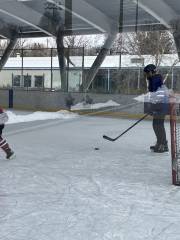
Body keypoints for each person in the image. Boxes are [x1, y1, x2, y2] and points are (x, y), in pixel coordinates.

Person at [144, 64, 169, 153]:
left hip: (162, 104)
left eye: (147, 72)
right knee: (156, 124)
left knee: (158, 124)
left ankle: (163, 145)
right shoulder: (152, 79)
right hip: (160, 104)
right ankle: (160, 143)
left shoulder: (155, 79)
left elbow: (158, 94)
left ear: (152, 72)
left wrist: (154, 107)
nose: (146, 74)